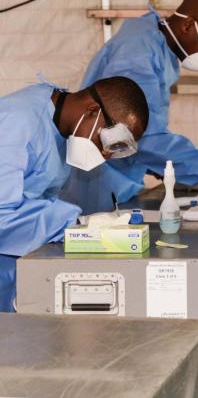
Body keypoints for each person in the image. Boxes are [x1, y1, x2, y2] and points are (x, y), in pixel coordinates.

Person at [61, 0, 198, 214]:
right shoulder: (138, 54)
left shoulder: (156, 45)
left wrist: (172, 169)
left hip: (116, 177)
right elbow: (136, 134)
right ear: (188, 25)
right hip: (96, 182)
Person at [0, 76, 149, 312]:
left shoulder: (60, 130)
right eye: (109, 142)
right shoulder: (16, 123)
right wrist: (73, 223)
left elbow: (37, 201)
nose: (106, 155)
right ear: (92, 111)